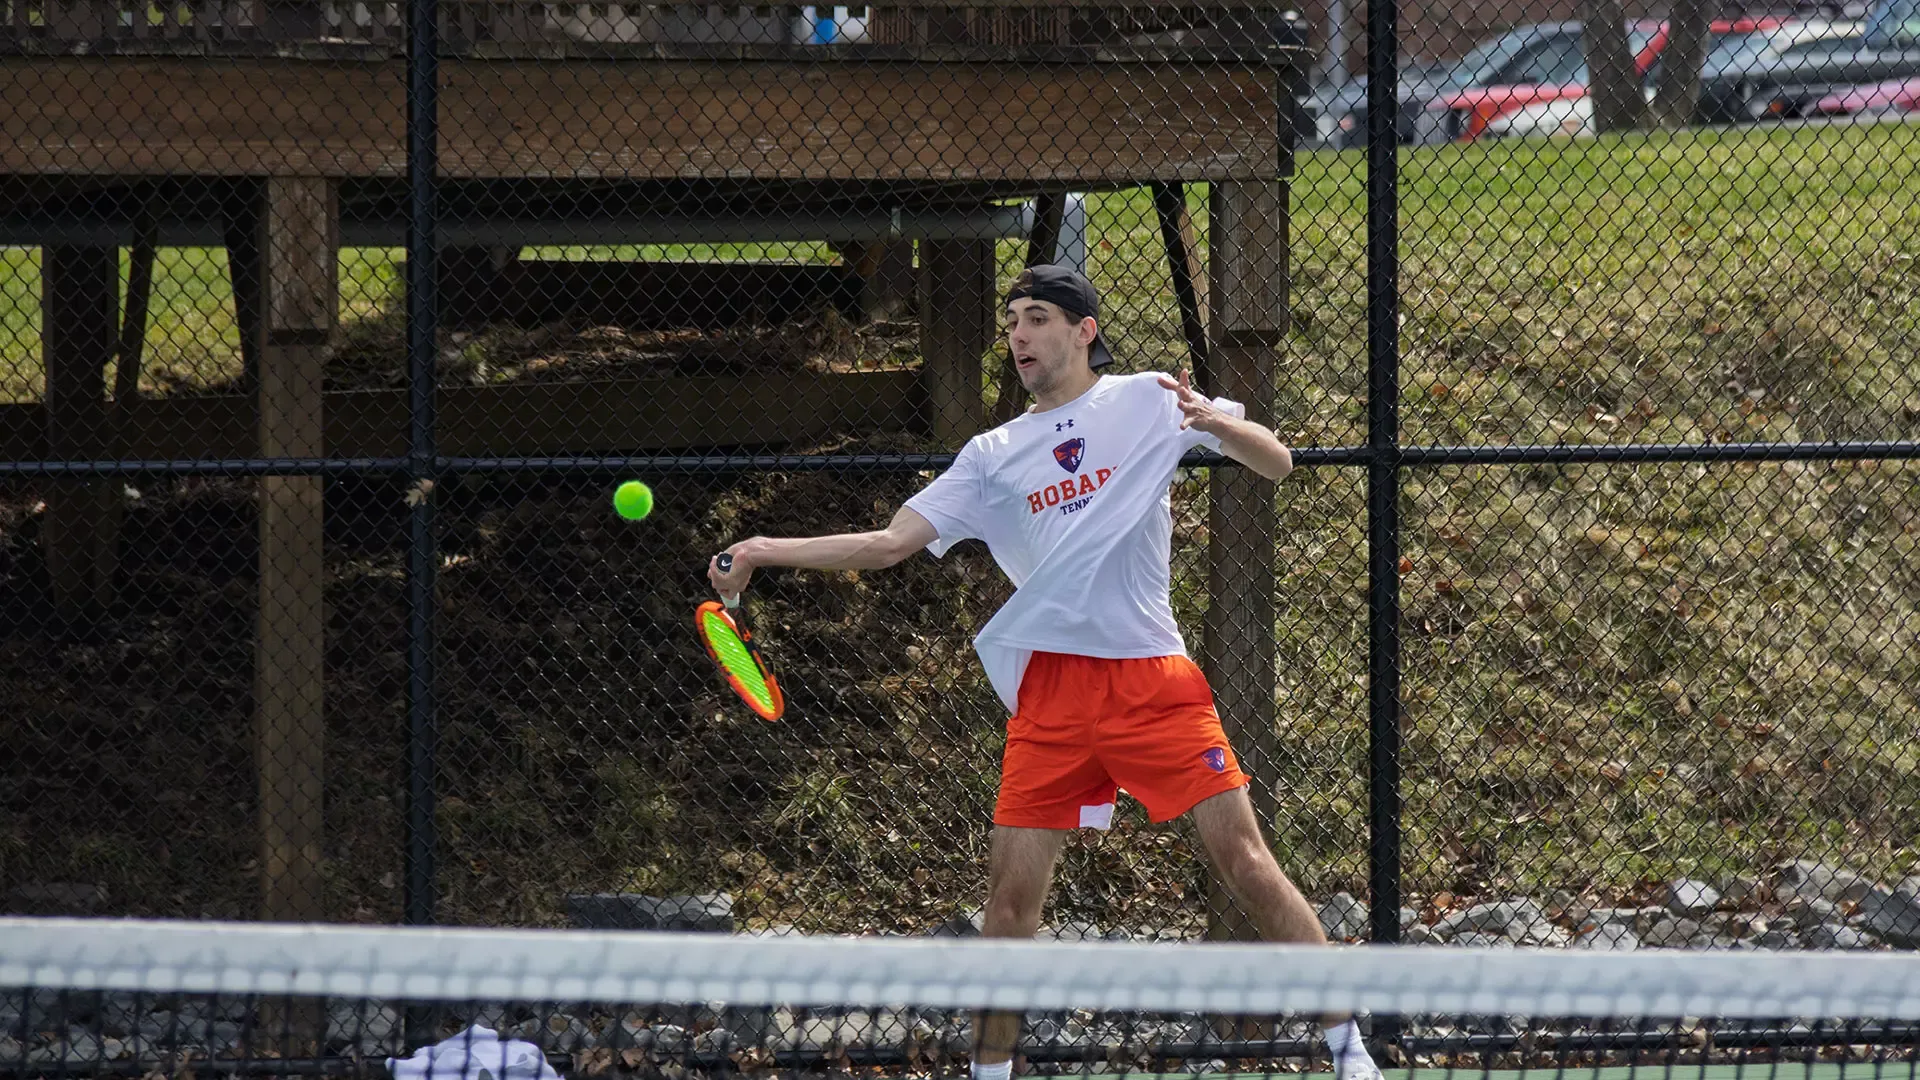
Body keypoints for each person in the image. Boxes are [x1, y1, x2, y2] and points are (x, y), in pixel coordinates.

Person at [708, 264, 1381, 1080]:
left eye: (1036, 318)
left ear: (1083, 330)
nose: (1019, 334)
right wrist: (760, 550)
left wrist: (1219, 424)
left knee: (1246, 864)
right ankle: (992, 1076)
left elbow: (1275, 463)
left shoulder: (1146, 399)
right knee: (1008, 908)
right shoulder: (993, 454)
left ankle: (1352, 1057)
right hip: (1051, 699)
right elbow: (887, 545)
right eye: (1013, 320)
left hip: (1152, 681)